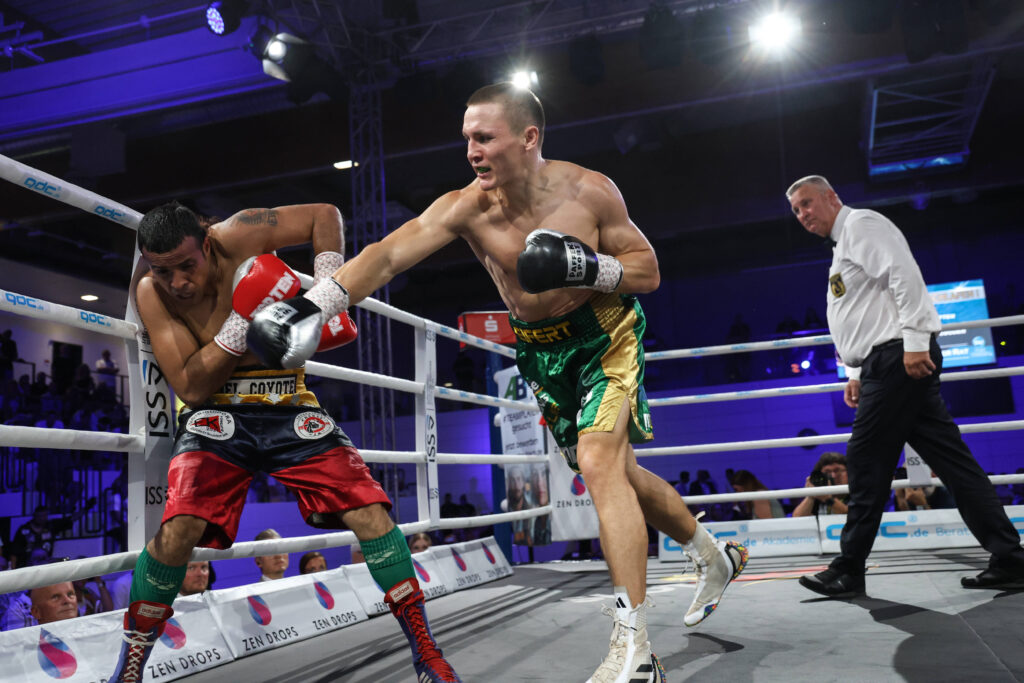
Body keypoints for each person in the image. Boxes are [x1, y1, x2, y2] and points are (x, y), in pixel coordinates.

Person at [249, 81, 747, 681]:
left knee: (597, 461)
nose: (471, 151)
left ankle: (634, 645)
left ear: (529, 138)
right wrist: (312, 306)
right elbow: (385, 255)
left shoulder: (589, 191)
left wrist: (586, 265)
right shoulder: (467, 207)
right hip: (540, 352)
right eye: (467, 139)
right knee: (619, 473)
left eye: (484, 137)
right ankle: (711, 555)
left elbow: (648, 270)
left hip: (606, 336)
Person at [107, 201, 460, 683]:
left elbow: (325, 216)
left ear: (207, 243)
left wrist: (323, 296)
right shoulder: (154, 293)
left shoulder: (242, 233)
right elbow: (190, 386)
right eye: (163, 270)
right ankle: (129, 672)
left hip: (287, 399)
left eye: (186, 266)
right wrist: (244, 319)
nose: (178, 283)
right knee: (181, 525)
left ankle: (426, 651)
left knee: (369, 511)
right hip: (215, 412)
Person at [786, 174, 1024, 597]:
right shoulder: (843, 246)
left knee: (863, 459)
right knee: (953, 463)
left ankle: (848, 567)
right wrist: (855, 372)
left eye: (807, 203)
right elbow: (863, 311)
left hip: (899, 358)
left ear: (831, 197)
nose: (802, 214)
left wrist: (915, 342)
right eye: (796, 210)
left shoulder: (861, 225)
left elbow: (904, 275)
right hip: (886, 361)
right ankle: (1011, 557)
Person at [791, 452, 850, 518]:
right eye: (827, 472)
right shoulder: (819, 496)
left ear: (849, 472)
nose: (833, 476)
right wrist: (811, 496)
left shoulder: (857, 493)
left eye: (837, 470)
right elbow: (797, 518)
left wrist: (828, 499)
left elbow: (850, 516)